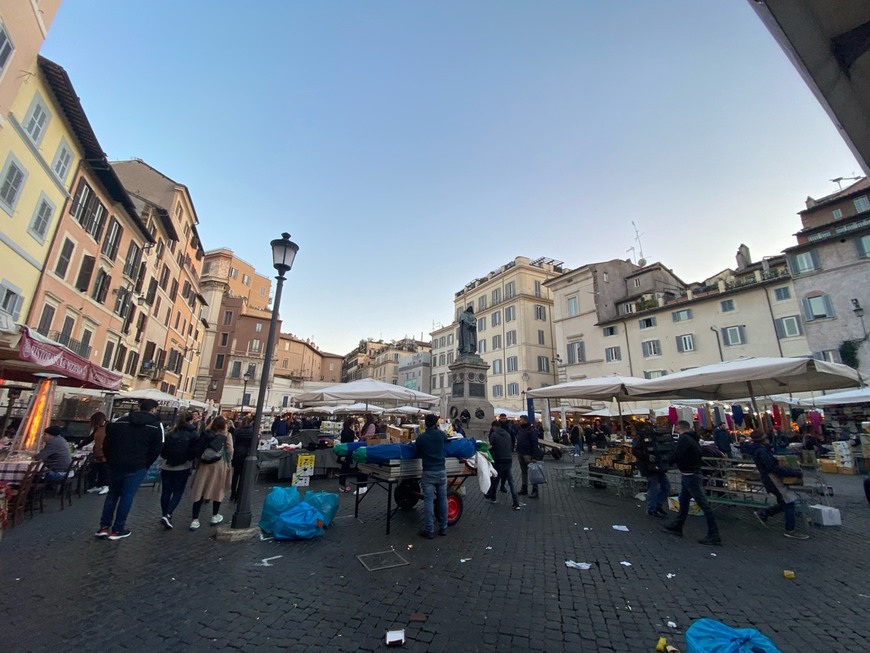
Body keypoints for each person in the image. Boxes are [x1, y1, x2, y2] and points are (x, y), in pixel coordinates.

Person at [96, 398, 164, 541]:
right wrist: (146, 463)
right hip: (137, 465)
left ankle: (103, 527)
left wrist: (110, 458)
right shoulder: (156, 426)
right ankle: (118, 529)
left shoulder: (120, 421)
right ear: (153, 410)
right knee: (127, 496)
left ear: (139, 407)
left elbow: (108, 442)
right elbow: (156, 449)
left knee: (112, 494)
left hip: (116, 463)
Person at [663, 420, 721, 546]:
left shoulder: (684, 439)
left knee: (703, 504)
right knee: (683, 501)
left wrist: (668, 459)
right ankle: (678, 525)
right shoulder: (693, 438)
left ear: (680, 428)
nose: (676, 431)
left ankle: (714, 534)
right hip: (690, 474)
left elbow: (677, 454)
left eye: (677, 429)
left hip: (691, 475)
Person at [748, 431, 808, 539]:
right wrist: (791, 472)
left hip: (770, 479)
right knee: (788, 502)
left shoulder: (760, 450)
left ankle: (765, 513)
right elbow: (773, 468)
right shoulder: (762, 451)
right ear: (763, 440)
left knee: (784, 502)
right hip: (773, 480)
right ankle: (790, 529)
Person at [189, 416, 233, 530]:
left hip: (204, 465)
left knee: (200, 489)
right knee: (218, 490)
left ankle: (194, 520)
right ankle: (214, 516)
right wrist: (228, 462)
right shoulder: (226, 435)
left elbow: (199, 449)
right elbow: (230, 450)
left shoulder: (206, 434)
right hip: (219, 465)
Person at [158, 411, 199, 529]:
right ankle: (168, 513)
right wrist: (189, 459)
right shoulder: (194, 434)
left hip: (167, 465)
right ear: (191, 420)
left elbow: (163, 449)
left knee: (166, 491)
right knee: (178, 491)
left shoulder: (171, 432)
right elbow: (194, 451)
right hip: (183, 466)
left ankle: (164, 513)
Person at [415, 413, 448, 539]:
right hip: (441, 470)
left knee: (428, 501)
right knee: (443, 499)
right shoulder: (440, 434)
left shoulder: (421, 437)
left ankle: (429, 530)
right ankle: (443, 527)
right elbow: (446, 439)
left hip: (428, 471)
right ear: (435, 423)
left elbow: (417, 452)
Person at [632, 426, 670, 518]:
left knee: (666, 486)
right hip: (648, 466)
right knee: (654, 487)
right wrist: (647, 456)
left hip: (658, 465)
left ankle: (657, 506)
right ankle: (652, 509)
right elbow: (635, 450)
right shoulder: (641, 437)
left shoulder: (656, 437)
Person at [484, 420, 521, 510]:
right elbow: (511, 445)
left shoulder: (494, 434)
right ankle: (516, 502)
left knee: (496, 478)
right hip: (508, 459)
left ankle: (493, 496)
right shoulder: (507, 434)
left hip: (498, 459)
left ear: (494, 426)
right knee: (511, 482)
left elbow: (491, 447)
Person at [515, 414, 543, 498]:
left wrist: (534, 456)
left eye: (521, 420)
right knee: (524, 472)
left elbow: (535, 443)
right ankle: (524, 488)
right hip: (521, 452)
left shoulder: (532, 430)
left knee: (532, 472)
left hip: (528, 454)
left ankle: (535, 490)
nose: (520, 421)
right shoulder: (521, 429)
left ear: (525, 420)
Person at [230, 416, 254, 502]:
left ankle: (233, 493)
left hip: (237, 454)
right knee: (243, 476)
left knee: (235, 475)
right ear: (251, 422)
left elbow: (234, 440)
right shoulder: (252, 432)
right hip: (246, 455)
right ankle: (239, 493)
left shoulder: (238, 430)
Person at [84, 412, 109, 494]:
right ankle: (99, 485)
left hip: (104, 452)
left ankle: (105, 485)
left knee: (104, 469)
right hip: (98, 451)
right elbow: (90, 438)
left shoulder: (108, 427)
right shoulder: (98, 428)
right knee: (98, 468)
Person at [338, 417, 357, 493]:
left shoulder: (344, 431)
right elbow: (350, 443)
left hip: (344, 451)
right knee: (345, 469)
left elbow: (343, 442)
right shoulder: (350, 432)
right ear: (351, 424)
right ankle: (342, 485)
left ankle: (342, 484)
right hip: (347, 452)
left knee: (344, 469)